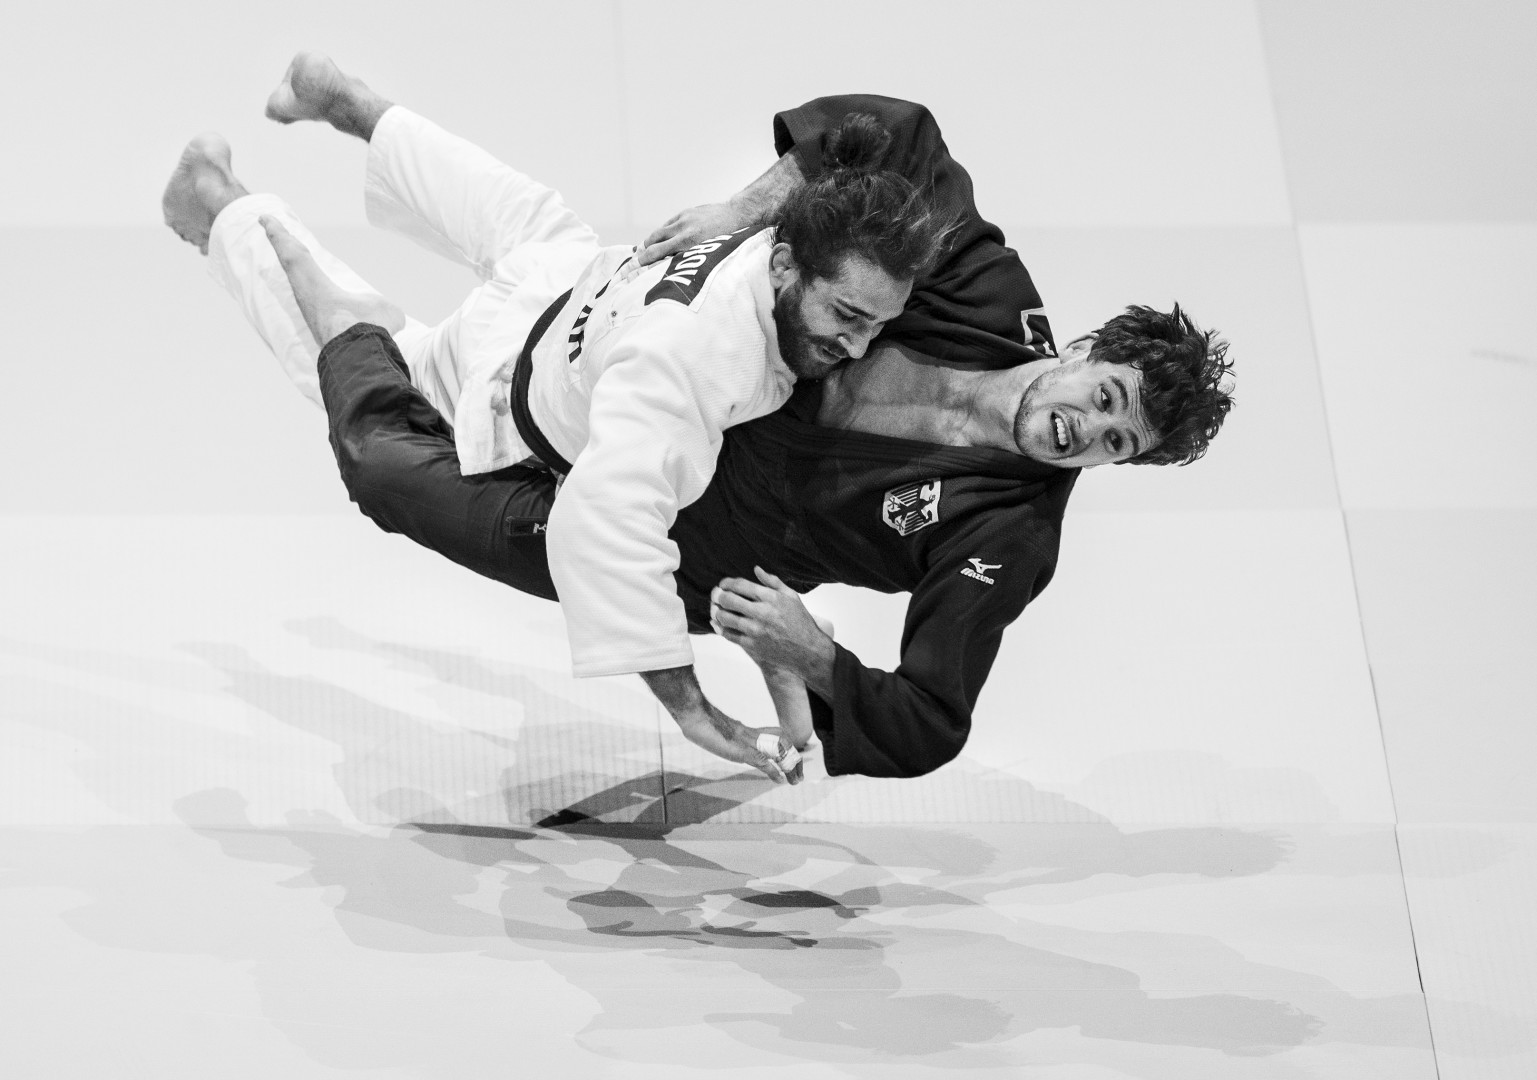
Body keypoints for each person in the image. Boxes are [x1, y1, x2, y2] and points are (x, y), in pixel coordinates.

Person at [163, 55, 953, 784]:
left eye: (877, 324)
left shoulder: (777, 228)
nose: (856, 344)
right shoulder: (693, 368)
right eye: (845, 314)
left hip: (581, 281)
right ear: (785, 266)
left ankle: (361, 108)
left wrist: (742, 203)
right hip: (498, 380)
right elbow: (603, 530)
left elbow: (885, 135)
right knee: (352, 360)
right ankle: (230, 210)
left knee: (522, 221)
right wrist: (691, 709)